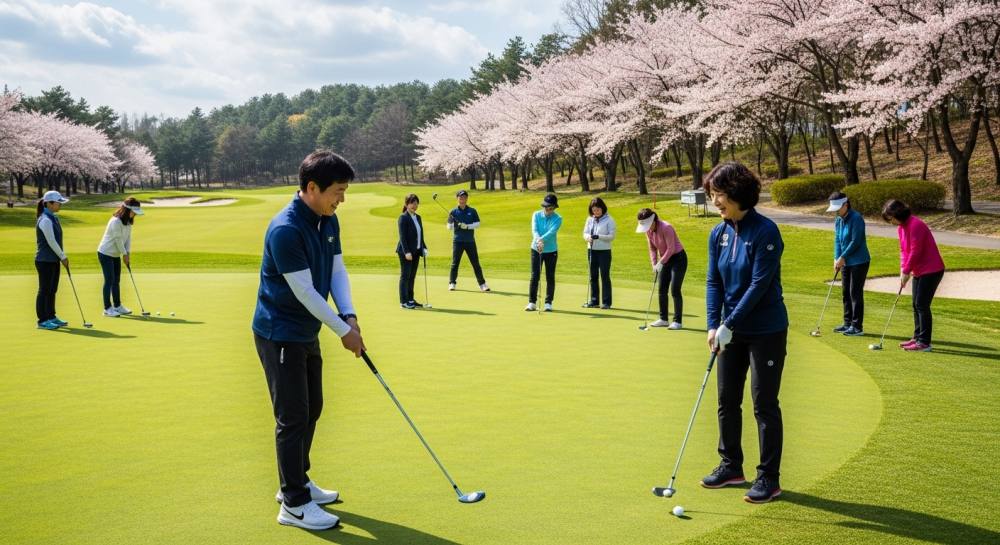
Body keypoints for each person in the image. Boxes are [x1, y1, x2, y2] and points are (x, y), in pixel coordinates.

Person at [252, 150, 365, 531]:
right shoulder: (286, 229)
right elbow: (304, 292)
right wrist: (343, 332)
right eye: (338, 191)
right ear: (312, 188)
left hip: (305, 331)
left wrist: (350, 316)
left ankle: (298, 479)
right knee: (292, 416)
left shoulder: (327, 220)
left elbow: (336, 270)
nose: (342, 199)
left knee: (312, 407)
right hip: (279, 332)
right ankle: (293, 503)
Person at [701, 162, 788, 504]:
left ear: (738, 193)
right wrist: (713, 324)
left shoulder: (765, 232)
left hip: (765, 329)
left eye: (719, 195)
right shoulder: (718, 233)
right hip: (728, 330)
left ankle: (769, 477)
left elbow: (758, 285)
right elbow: (714, 281)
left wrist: (728, 324)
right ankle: (730, 465)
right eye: (712, 196)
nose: (715, 202)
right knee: (726, 400)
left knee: (764, 404)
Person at [882, 199, 945, 352]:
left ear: (898, 213)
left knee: (922, 305)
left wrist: (906, 271)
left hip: (932, 269)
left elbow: (915, 251)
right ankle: (917, 337)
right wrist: (903, 270)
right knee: (915, 304)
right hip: (919, 270)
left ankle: (924, 342)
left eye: (891, 218)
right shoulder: (901, 228)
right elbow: (904, 251)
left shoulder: (916, 224)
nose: (891, 222)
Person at [827, 191, 870, 336]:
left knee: (855, 293)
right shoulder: (838, 220)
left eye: (838, 208)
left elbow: (855, 241)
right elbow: (837, 239)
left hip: (859, 261)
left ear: (846, 205)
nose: (836, 212)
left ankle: (857, 327)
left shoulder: (856, 218)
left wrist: (842, 257)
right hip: (845, 261)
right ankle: (847, 323)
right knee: (845, 292)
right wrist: (836, 257)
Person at [636, 208, 686, 328]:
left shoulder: (666, 227)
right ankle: (663, 319)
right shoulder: (648, 231)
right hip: (664, 260)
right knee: (662, 289)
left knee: (674, 289)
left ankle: (677, 321)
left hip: (678, 259)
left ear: (653, 220)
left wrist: (660, 262)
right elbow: (652, 248)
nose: (647, 229)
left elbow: (671, 248)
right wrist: (654, 264)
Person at [97, 197, 144, 317]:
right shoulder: (116, 221)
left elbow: (128, 238)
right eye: (134, 212)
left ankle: (117, 306)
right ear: (127, 209)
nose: (135, 215)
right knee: (109, 280)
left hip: (115, 254)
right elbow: (118, 240)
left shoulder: (128, 221)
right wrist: (124, 254)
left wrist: (127, 252)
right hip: (105, 253)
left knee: (116, 280)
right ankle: (107, 308)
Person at [34, 190, 71, 330]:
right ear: (49, 204)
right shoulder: (45, 219)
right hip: (44, 261)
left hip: (53, 260)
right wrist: (63, 256)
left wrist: (60, 257)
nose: (60, 205)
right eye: (58, 203)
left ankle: (51, 316)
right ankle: (42, 320)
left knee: (52, 289)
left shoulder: (54, 218)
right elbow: (51, 241)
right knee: (44, 290)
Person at [447, 189, 489, 292]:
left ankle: (482, 284)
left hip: (470, 241)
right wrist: (456, 224)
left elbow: (478, 224)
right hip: (458, 241)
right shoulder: (453, 212)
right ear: (457, 198)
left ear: (467, 198)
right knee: (455, 263)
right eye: (461, 197)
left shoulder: (472, 211)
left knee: (475, 263)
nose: (463, 199)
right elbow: (449, 227)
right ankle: (452, 283)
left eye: (465, 197)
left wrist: (467, 226)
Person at [526, 193, 562, 312]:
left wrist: (542, 240)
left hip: (551, 250)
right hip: (536, 249)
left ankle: (548, 303)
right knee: (534, 275)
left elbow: (552, 232)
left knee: (550, 276)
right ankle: (532, 302)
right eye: (546, 207)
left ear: (554, 207)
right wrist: (538, 241)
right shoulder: (536, 215)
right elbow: (534, 230)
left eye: (551, 208)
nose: (548, 210)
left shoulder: (558, 218)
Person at [582, 197, 616, 309]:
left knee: (604, 275)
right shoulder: (589, 219)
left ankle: (606, 302)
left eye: (598, 210)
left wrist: (599, 237)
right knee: (593, 276)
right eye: (593, 210)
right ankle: (594, 300)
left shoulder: (609, 219)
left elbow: (611, 237)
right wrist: (588, 238)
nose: (596, 212)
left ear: (602, 208)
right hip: (591, 250)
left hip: (604, 251)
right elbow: (585, 233)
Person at [396, 193, 428, 309]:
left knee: (412, 276)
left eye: (416, 203)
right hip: (406, 252)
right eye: (412, 203)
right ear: (406, 204)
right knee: (405, 276)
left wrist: (424, 247)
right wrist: (407, 252)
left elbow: (420, 235)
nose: (414, 205)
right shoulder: (403, 218)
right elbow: (402, 237)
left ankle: (410, 299)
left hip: (416, 252)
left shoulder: (418, 217)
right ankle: (403, 301)